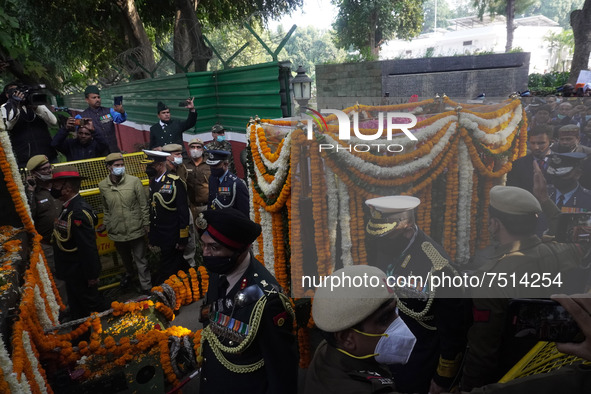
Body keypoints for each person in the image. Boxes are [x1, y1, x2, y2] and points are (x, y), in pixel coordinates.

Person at [461, 186, 589, 390]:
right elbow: (568, 236)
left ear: (494, 224)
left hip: (511, 376)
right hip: (559, 364)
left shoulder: (490, 278)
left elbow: (483, 350)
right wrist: (546, 201)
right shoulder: (562, 252)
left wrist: (468, 388)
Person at [364, 196, 470, 394]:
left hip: (419, 364)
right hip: (382, 356)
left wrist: (442, 379)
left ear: (407, 228)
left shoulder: (437, 266)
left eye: (386, 235)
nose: (380, 240)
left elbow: (454, 330)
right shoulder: (383, 244)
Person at [198, 208, 298, 394]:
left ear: (239, 250)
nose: (206, 253)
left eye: (214, 247)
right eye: (203, 245)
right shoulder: (219, 269)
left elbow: (282, 376)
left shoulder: (269, 301)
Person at [305, 264, 415, 394]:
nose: (398, 323)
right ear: (347, 338)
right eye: (384, 319)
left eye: (395, 311)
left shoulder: (330, 349)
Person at [51, 166, 108, 320]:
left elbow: (87, 247)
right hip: (71, 272)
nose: (52, 188)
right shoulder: (67, 208)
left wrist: (92, 275)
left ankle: (113, 334)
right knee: (79, 310)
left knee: (93, 308)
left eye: (56, 185)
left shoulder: (78, 212)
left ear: (67, 188)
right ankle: (81, 339)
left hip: (80, 273)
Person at [97, 153, 151, 294]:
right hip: (117, 230)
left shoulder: (134, 181)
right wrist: (106, 223)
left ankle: (146, 287)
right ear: (109, 167)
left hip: (135, 227)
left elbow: (143, 205)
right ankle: (131, 281)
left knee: (141, 260)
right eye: (117, 165)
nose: (120, 168)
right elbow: (106, 209)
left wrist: (146, 224)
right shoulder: (103, 185)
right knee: (126, 261)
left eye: (122, 165)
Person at [24, 155, 68, 307]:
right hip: (48, 244)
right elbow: (28, 215)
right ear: (34, 173)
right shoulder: (33, 193)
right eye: (44, 169)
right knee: (58, 278)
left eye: (49, 167)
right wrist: (30, 191)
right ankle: (65, 309)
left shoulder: (60, 185)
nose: (48, 170)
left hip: (69, 240)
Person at [143, 149, 190, 284]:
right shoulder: (154, 182)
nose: (147, 169)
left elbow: (183, 212)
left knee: (168, 269)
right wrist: (153, 235)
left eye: (149, 166)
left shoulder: (175, 182)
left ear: (159, 165)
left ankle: (164, 290)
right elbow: (153, 209)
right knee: (178, 265)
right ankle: (195, 281)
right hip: (161, 234)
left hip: (173, 234)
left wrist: (183, 238)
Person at [0, 83, 57, 168]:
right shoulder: (5, 108)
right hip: (25, 159)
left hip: (48, 156)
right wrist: (16, 105)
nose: (18, 94)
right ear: (7, 95)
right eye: (14, 92)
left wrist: (36, 107)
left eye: (19, 91)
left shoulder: (35, 103)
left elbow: (53, 122)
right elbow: (7, 126)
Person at [161, 143, 196, 268]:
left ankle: (191, 269)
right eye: (176, 154)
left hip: (185, 210)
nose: (180, 156)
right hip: (170, 213)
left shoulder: (182, 168)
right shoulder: (162, 171)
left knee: (190, 242)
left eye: (180, 154)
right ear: (167, 157)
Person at [506, 125, 553, 193]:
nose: (536, 147)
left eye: (541, 143)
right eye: (533, 143)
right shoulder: (518, 165)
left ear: (550, 142)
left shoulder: (561, 162)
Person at [80, 85, 127, 153]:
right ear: (87, 100)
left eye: (98, 97)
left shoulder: (110, 111)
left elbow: (121, 119)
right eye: (94, 98)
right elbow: (80, 135)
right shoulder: (81, 116)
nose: (97, 99)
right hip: (96, 154)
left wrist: (122, 112)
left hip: (113, 151)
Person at [206, 150, 249, 216]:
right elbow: (211, 201)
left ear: (226, 164)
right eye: (211, 166)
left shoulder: (236, 184)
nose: (213, 168)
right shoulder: (212, 179)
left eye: (216, 165)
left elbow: (244, 212)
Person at [185, 137, 210, 218]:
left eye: (198, 147)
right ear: (189, 149)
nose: (195, 149)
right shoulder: (185, 165)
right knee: (194, 230)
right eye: (193, 147)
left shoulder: (209, 164)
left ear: (202, 149)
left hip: (208, 206)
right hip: (192, 207)